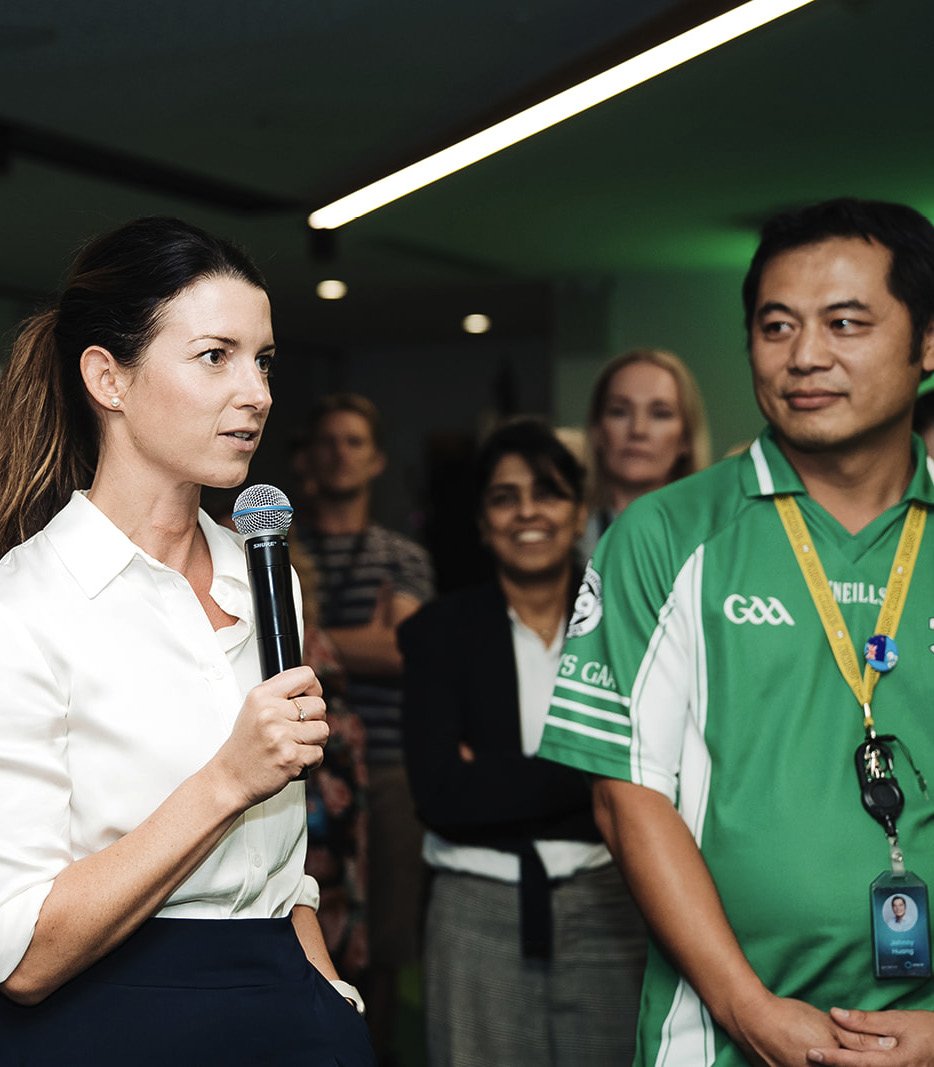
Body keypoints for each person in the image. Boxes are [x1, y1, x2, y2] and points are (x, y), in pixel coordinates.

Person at [538, 198, 934, 1065]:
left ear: (929, 343)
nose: (805, 356)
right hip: (722, 1039)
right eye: (776, 325)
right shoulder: (666, 535)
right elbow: (625, 793)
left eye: (846, 322)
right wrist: (748, 1009)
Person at [0, 217, 373, 1064]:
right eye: (216, 356)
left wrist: (328, 994)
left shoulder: (266, 574)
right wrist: (227, 779)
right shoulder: (24, 607)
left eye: (264, 359)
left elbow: (283, 856)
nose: (257, 392)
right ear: (109, 377)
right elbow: (20, 955)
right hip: (107, 1020)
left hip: (284, 1005)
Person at [400, 418, 646, 1066]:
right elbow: (441, 794)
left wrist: (503, 776)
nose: (528, 511)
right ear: (483, 522)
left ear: (579, 512)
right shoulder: (437, 633)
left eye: (548, 491)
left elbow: (654, 775)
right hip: (475, 907)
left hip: (611, 898)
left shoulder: (628, 626)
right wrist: (591, 773)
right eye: (504, 496)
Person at [292, 393, 434, 1063]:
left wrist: (314, 638)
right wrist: (367, 637)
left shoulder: (401, 552)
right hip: (299, 773)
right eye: (328, 440)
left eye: (354, 441)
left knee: (383, 936)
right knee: (310, 928)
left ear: (376, 459)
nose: (339, 453)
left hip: (387, 769)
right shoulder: (281, 545)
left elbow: (406, 649)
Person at [580, 347, 711, 559]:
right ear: (597, 430)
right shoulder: (568, 542)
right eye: (619, 412)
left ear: (686, 438)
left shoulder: (716, 540)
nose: (638, 430)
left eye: (660, 414)